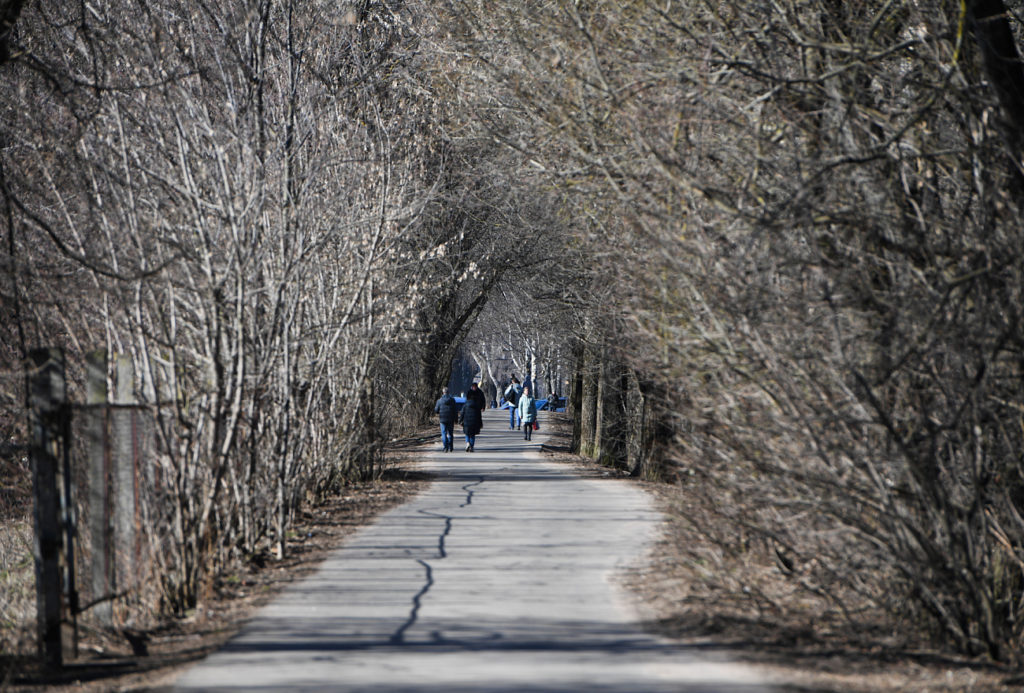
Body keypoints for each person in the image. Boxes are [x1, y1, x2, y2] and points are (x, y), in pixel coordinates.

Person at [459, 382, 486, 452]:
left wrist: (460, 421)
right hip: (475, 418)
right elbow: (479, 416)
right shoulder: (471, 393)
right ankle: (471, 445)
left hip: (467, 420)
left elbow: (462, 413)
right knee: (472, 434)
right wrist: (480, 424)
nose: (474, 388)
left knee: (467, 433)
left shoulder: (466, 405)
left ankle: (468, 443)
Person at [434, 386, 458, 452]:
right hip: (450, 419)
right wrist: (456, 419)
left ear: (443, 392)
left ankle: (445, 447)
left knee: (443, 433)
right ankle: (451, 446)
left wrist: (439, 411)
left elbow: (436, 410)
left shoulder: (439, 401)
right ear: (448, 392)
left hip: (442, 419)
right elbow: (455, 410)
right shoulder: (452, 400)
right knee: (450, 433)